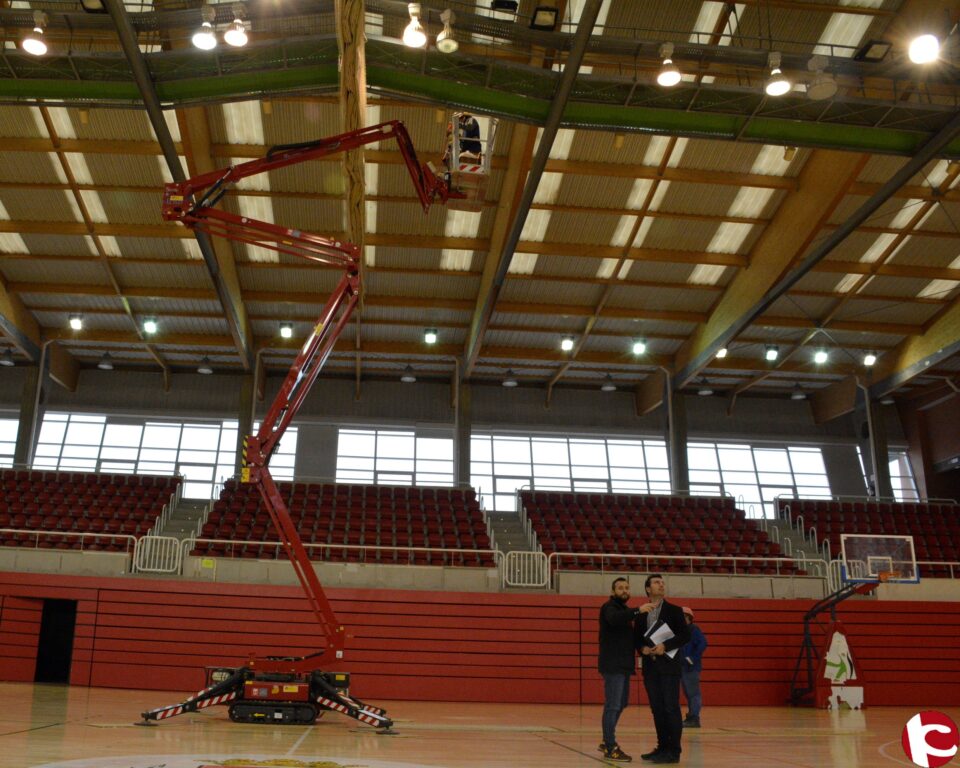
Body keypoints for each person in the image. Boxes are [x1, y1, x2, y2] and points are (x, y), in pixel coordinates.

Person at [635, 574, 690, 764]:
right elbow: (637, 639)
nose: (661, 585)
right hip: (650, 667)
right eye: (656, 582)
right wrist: (641, 648)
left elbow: (685, 635)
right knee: (657, 709)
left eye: (662, 582)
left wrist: (665, 646)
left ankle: (674, 750)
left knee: (671, 708)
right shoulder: (642, 614)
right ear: (648, 589)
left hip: (669, 666)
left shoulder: (675, 611)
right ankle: (662, 747)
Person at [598, 576, 644, 762]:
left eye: (627, 588)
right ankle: (610, 746)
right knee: (613, 705)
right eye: (620, 588)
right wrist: (638, 611)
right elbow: (615, 619)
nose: (624, 591)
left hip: (624, 666)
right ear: (612, 592)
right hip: (613, 665)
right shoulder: (609, 607)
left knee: (622, 703)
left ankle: (606, 739)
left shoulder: (625, 610)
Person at [679, 606, 707, 728]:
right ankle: (692, 716)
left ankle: (694, 718)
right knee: (688, 693)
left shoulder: (693, 629)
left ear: (688, 618)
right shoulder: (680, 631)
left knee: (693, 693)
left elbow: (703, 643)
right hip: (682, 667)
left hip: (690, 667)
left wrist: (693, 658)